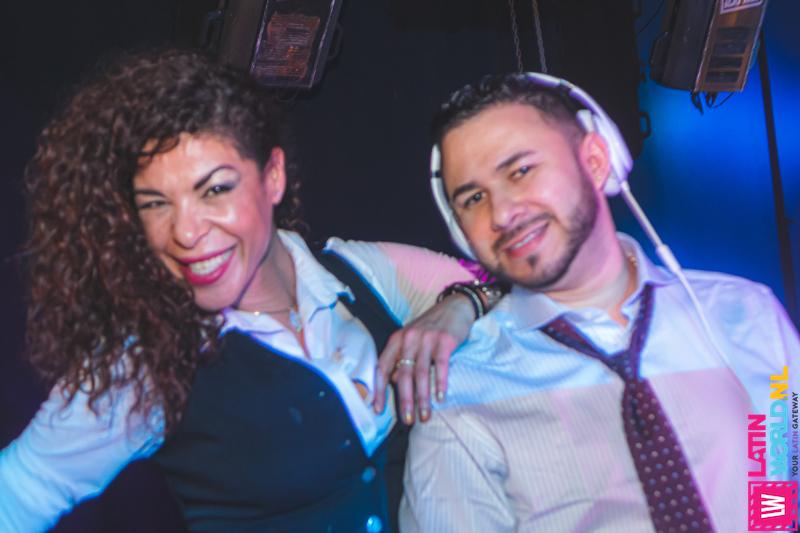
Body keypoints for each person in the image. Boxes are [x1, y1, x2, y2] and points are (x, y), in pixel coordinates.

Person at [0, 48, 483, 533]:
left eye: (214, 190)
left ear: (272, 177)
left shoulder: (358, 274)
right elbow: (18, 492)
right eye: (156, 204)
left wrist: (464, 304)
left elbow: (509, 285)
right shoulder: (145, 364)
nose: (185, 232)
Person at [400, 73, 800, 532]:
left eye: (520, 171)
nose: (502, 213)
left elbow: (781, 473)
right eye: (473, 198)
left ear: (594, 160)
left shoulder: (745, 314)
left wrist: (773, 521)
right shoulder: (457, 394)